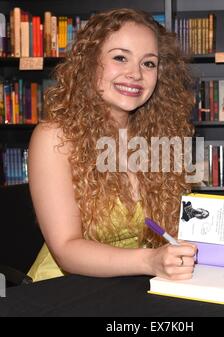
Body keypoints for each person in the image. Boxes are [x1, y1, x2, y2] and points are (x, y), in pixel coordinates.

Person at [27, 8, 198, 282]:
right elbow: (66, 251)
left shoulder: (160, 135)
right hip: (65, 288)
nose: (136, 74)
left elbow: (173, 229)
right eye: (120, 58)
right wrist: (151, 261)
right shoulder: (55, 137)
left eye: (149, 63)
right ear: (90, 63)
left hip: (135, 283)